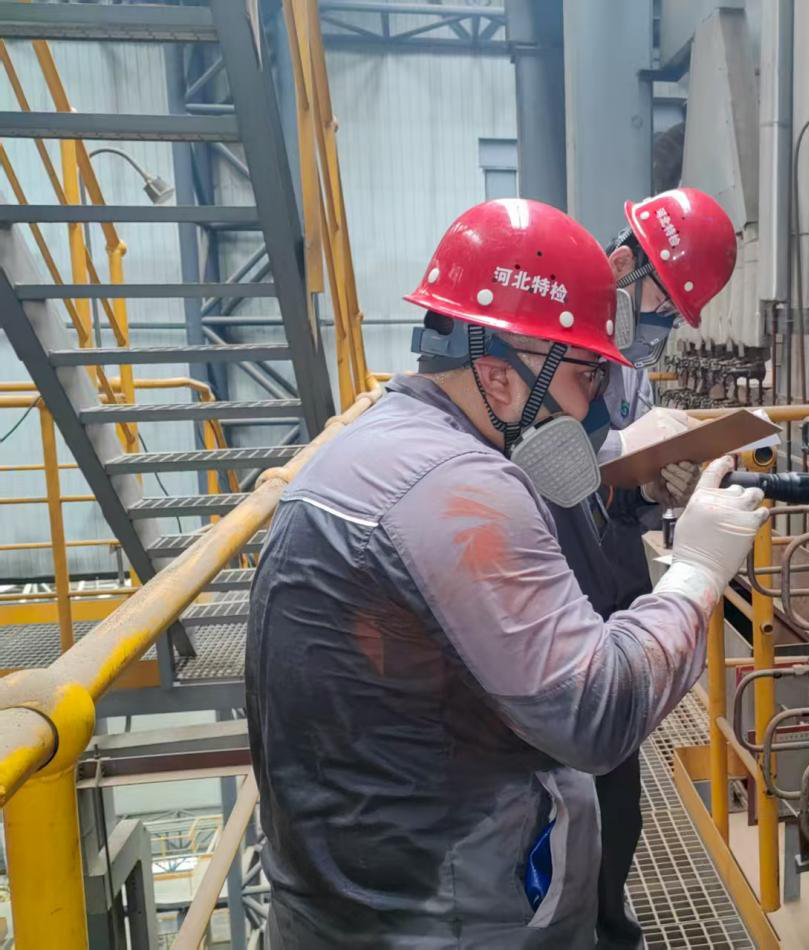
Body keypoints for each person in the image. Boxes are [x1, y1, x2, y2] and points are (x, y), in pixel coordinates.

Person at [246, 197, 767, 949]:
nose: (595, 407)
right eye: (588, 375)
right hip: (445, 920)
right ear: (500, 378)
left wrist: (627, 484)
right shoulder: (458, 488)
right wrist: (697, 568)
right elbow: (597, 713)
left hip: (356, 901)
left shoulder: (379, 444)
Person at [545, 187, 738, 949]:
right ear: (624, 264)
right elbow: (537, 474)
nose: (660, 326)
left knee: (615, 807)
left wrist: (652, 486)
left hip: (607, 578)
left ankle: (605, 923)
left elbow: (606, 481)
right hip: (558, 590)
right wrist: (619, 453)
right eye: (660, 304)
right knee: (569, 809)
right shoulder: (550, 348)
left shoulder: (623, 364)